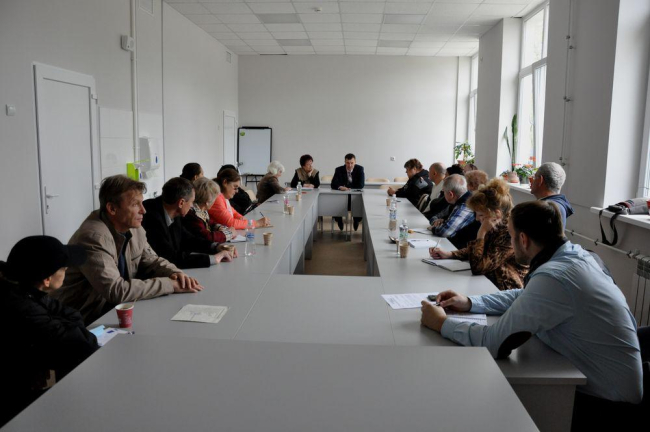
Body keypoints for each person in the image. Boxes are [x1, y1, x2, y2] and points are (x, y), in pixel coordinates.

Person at [421, 200, 643, 427]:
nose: (511, 242)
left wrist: (441, 323)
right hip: (608, 378)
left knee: (486, 396)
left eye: (511, 236)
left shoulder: (555, 277)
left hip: (609, 404)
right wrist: (469, 302)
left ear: (523, 239)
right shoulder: (575, 256)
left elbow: (493, 342)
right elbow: (525, 295)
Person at [52, 175, 203, 325]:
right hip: (83, 320)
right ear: (112, 209)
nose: (143, 210)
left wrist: (175, 273)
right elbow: (116, 290)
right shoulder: (93, 238)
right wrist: (170, 285)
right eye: (135, 204)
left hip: (115, 311)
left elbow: (151, 260)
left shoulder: (134, 227)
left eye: (142, 203)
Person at [0, 236, 99, 426]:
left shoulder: (24, 289)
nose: (66, 271)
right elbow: (84, 345)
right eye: (63, 268)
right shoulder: (22, 306)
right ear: (47, 279)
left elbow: (72, 314)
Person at [429, 179, 527, 290]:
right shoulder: (497, 224)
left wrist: (481, 233)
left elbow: (478, 268)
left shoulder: (509, 234)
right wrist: (450, 254)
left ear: (496, 214)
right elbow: (479, 250)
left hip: (503, 288)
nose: (476, 218)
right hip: (486, 282)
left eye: (480, 215)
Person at [142, 177, 234, 269]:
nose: (192, 206)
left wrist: (215, 247)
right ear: (181, 203)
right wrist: (214, 259)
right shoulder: (151, 218)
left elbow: (188, 239)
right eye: (192, 202)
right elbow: (170, 257)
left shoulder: (174, 211)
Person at [445, 170, 489, 249]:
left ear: (471, 186)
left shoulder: (468, 203)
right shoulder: (475, 203)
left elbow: (447, 231)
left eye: (465, 184)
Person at [183, 177, 234, 243]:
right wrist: (230, 234)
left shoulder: (200, 210)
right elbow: (208, 237)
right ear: (207, 202)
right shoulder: (192, 214)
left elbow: (210, 223)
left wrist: (220, 228)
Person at [529, 162, 574, 227]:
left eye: (534, 177)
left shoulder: (544, 209)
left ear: (540, 180)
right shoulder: (560, 204)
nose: (531, 181)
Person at [331, 153, 365, 231]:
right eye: (347, 163)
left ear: (355, 162)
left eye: (352, 163)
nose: (349, 165)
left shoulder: (360, 169)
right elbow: (333, 184)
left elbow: (361, 185)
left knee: (358, 204)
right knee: (335, 203)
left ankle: (356, 220)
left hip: (354, 196)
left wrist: (348, 188)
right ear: (345, 162)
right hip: (342, 196)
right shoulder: (338, 170)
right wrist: (340, 187)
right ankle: (339, 220)